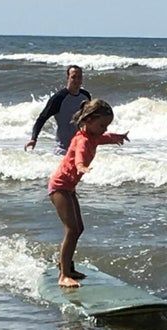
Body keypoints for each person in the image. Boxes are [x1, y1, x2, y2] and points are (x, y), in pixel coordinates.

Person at [47, 99, 128, 288]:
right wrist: (81, 166)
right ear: (88, 120)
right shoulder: (82, 140)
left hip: (68, 188)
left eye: (106, 125)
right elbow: (79, 156)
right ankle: (64, 275)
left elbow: (104, 137)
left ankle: (66, 266)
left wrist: (117, 137)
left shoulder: (93, 135)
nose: (104, 129)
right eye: (102, 125)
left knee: (78, 228)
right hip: (59, 187)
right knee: (72, 229)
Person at [24, 65, 91, 153]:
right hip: (62, 149)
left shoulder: (86, 96)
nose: (77, 80)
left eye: (79, 77)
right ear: (68, 78)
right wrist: (34, 139)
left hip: (80, 148)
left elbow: (90, 119)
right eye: (73, 77)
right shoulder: (59, 98)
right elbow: (42, 118)